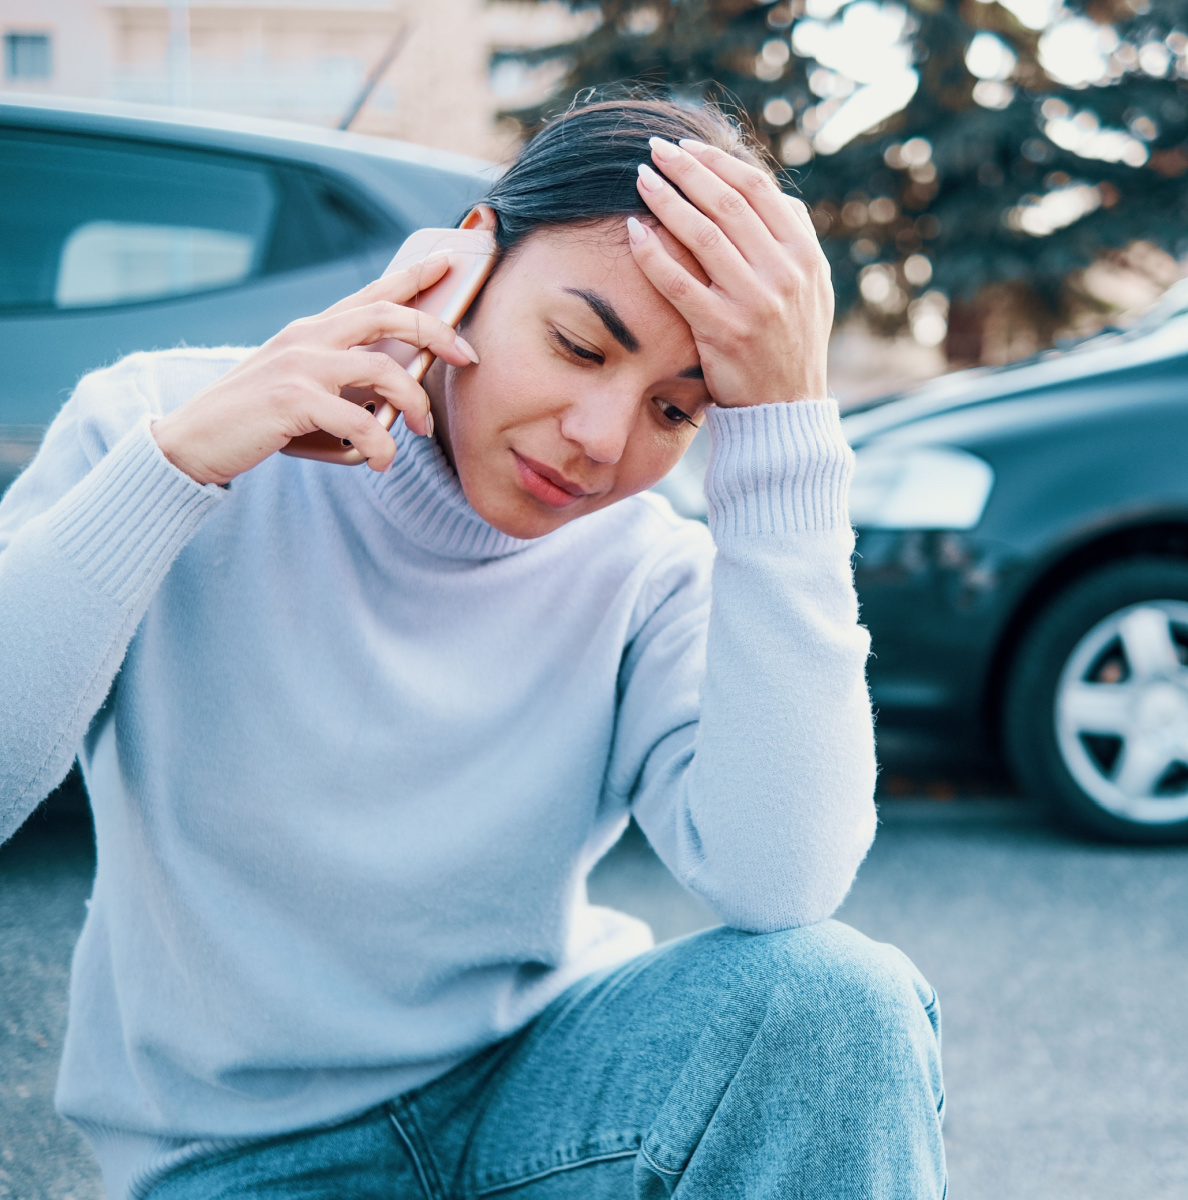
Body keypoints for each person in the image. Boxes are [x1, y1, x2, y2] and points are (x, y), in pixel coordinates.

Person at [0, 99, 944, 1199]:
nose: (602, 440)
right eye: (579, 343)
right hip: (242, 1154)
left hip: (545, 1093)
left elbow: (785, 880)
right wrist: (178, 471)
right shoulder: (164, 426)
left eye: (677, 413)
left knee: (836, 1005)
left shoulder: (646, 566)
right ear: (470, 256)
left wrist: (786, 435)